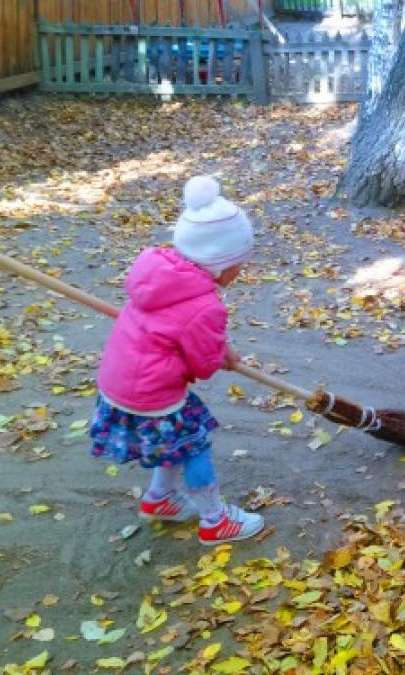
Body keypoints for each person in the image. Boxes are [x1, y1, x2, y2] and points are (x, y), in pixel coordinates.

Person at [90, 175, 264, 546]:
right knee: (194, 444)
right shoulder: (205, 306)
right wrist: (218, 355)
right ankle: (215, 521)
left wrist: (221, 348)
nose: (242, 271)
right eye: (239, 263)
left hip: (120, 381)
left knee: (175, 442)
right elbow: (202, 365)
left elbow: (178, 329)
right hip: (152, 392)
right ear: (221, 264)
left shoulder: (160, 273)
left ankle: (159, 500)